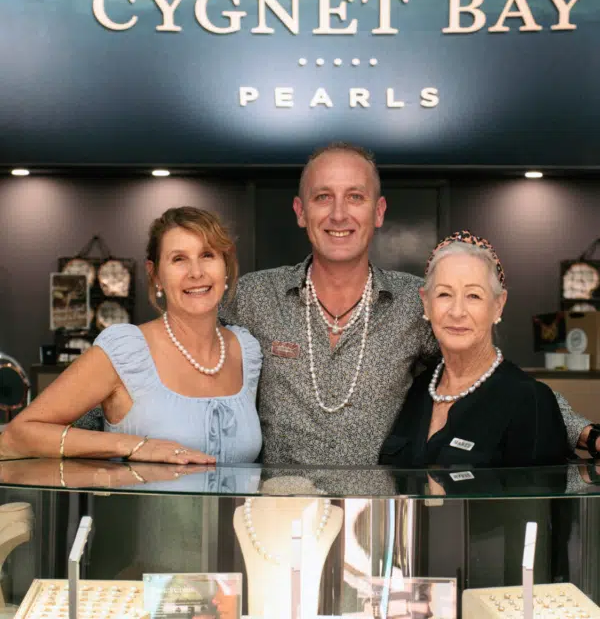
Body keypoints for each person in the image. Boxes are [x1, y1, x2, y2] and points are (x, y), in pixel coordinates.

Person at [220, 141, 597, 465]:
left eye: (355, 196)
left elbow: (490, 377)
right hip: (280, 519)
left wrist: (586, 433)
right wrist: (156, 440)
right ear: (301, 212)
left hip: (380, 523)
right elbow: (182, 355)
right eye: (322, 197)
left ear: (378, 211)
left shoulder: (415, 303)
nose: (339, 214)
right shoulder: (253, 296)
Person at [1, 207, 262, 465]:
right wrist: (133, 446)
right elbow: (15, 436)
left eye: (207, 255)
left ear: (225, 266)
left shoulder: (246, 351)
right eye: (178, 259)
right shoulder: (125, 351)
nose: (196, 272)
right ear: (155, 274)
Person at [379, 231, 571, 467]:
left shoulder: (530, 400)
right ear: (426, 303)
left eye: (473, 296)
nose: (457, 311)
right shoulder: (418, 389)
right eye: (444, 294)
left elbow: (539, 501)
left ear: (498, 306)